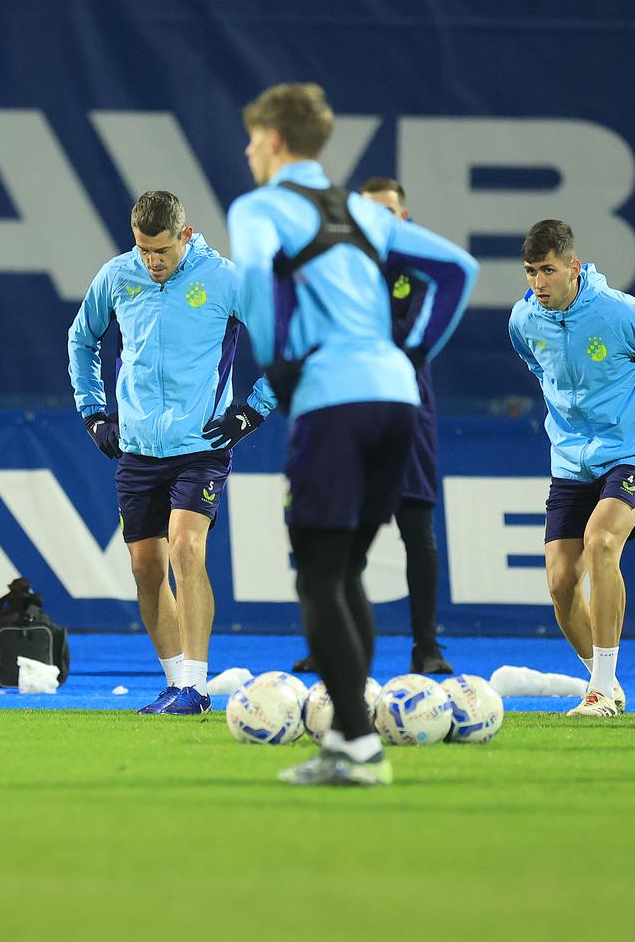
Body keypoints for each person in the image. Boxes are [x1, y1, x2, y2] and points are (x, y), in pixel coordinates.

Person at [227, 83, 478, 786]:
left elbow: (251, 272)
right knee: (343, 577)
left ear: (274, 141)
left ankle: (359, 751)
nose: (247, 151)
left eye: (251, 139)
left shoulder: (259, 207)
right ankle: (347, 738)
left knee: (316, 577)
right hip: (396, 399)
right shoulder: (366, 211)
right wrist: (414, 350)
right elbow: (456, 270)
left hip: (331, 400)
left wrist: (278, 362)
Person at [67, 190, 277, 716]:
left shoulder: (226, 279)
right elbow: (81, 340)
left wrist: (253, 411)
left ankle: (197, 687)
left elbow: (286, 345)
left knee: (186, 548)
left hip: (200, 445)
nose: (151, 261)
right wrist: (94, 411)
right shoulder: (118, 274)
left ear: (185, 235)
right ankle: (176, 681)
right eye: (142, 249)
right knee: (145, 568)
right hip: (137, 448)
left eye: (161, 250)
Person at [510, 220, 635, 717]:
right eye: (530, 272)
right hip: (569, 461)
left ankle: (602, 691)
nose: (538, 282)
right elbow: (539, 367)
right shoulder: (523, 322)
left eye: (547, 270)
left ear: (573, 267)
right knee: (562, 585)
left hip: (633, 452)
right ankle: (600, 677)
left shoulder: (619, 313)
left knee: (602, 541)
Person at [292, 176, 454, 677]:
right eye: (371, 212)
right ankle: (330, 644)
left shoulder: (421, 272)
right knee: (336, 530)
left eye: (389, 212)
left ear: (405, 218)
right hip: (343, 407)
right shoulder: (339, 267)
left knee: (416, 531)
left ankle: (426, 646)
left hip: (406, 407)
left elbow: (416, 335)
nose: (380, 221)